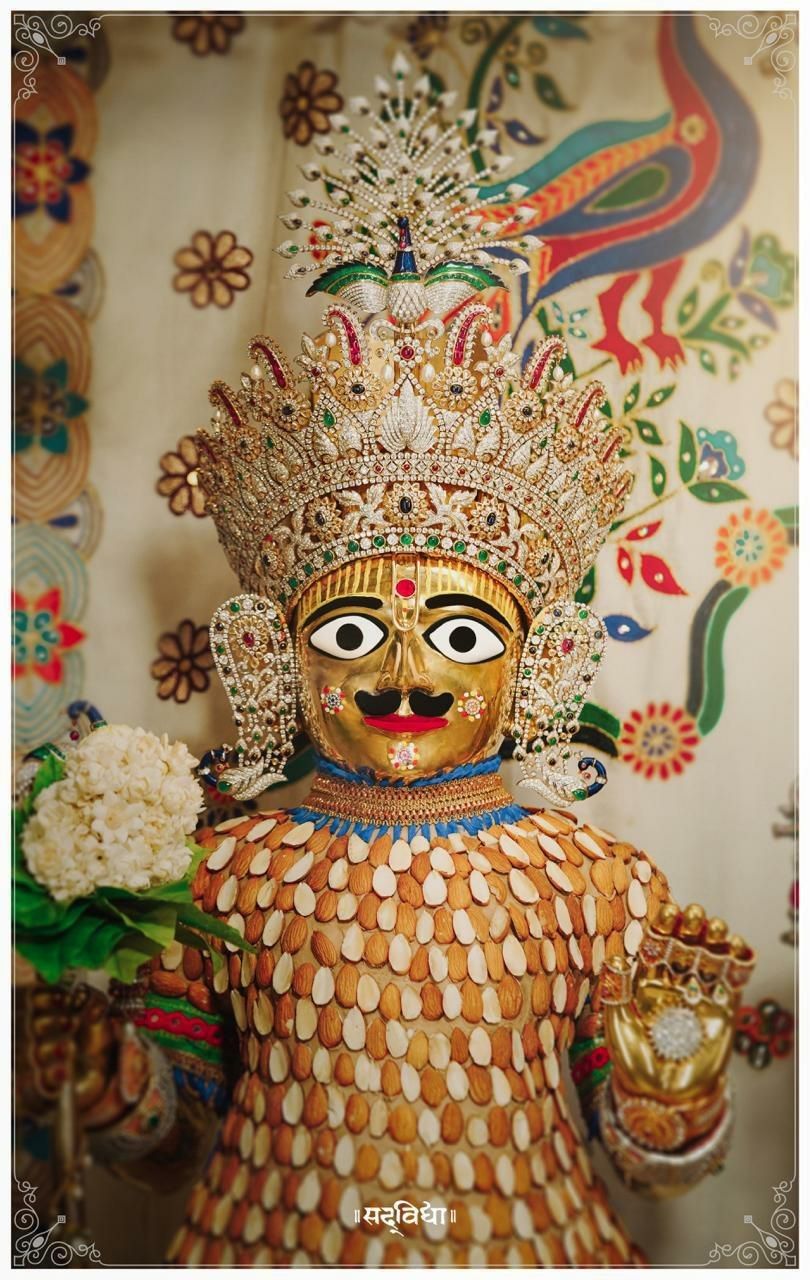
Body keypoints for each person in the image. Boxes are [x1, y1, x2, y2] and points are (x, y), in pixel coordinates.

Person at [19, 55, 754, 1266]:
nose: (404, 675)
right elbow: (171, 1146)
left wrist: (673, 1082)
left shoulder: (595, 882)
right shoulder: (224, 872)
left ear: (538, 663)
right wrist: (107, 1078)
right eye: (354, 632)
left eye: (461, 636)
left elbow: (643, 1156)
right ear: (271, 652)